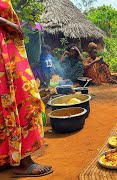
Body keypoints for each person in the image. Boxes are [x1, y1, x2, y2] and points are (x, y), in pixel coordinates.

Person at [0, 0, 53, 177]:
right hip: (4, 53)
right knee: (24, 98)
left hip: (8, 47)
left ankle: (8, 157)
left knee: (6, 104)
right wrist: (6, 23)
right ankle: (24, 162)